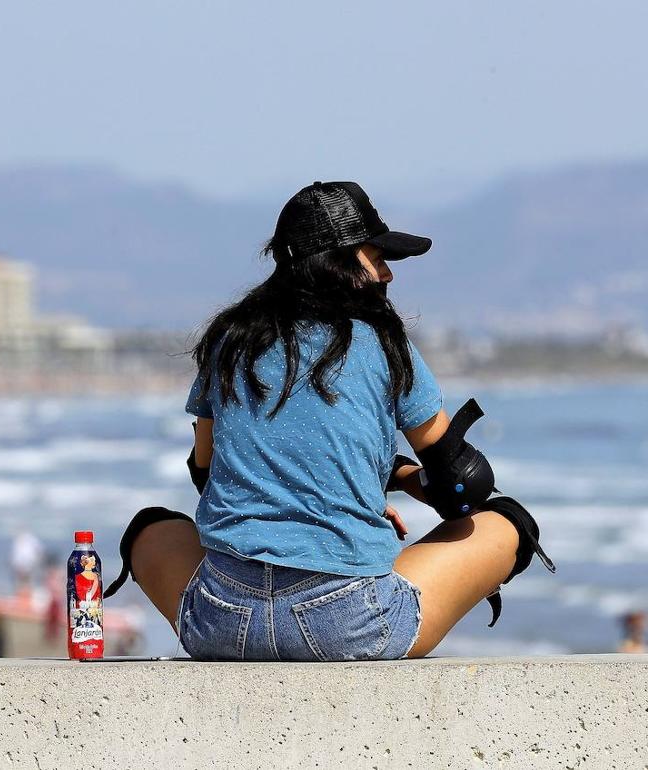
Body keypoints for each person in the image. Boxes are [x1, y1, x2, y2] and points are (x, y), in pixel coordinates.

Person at [113, 181, 551, 661]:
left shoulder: (230, 340)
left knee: (152, 527)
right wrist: (390, 488)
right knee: (507, 522)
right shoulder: (382, 341)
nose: (388, 274)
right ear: (338, 260)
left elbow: (206, 471)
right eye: (378, 257)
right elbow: (461, 483)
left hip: (222, 619)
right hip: (348, 623)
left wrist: (364, 487)